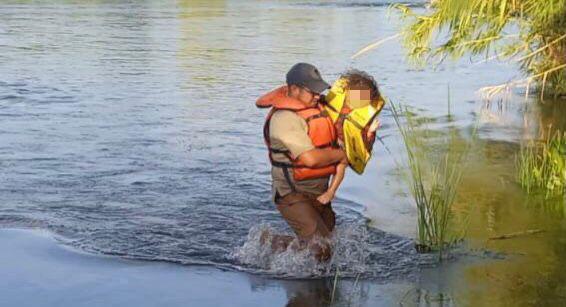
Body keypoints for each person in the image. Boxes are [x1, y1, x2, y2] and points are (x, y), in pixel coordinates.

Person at [256, 64, 381, 262]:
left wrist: (368, 133)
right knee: (321, 248)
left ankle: (271, 242)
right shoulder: (284, 119)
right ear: (294, 88)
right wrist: (341, 156)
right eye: (312, 90)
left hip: (320, 192)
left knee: (328, 243)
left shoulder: (321, 108)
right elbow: (310, 159)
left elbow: (354, 110)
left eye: (319, 90)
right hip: (292, 194)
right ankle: (303, 284)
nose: (317, 95)